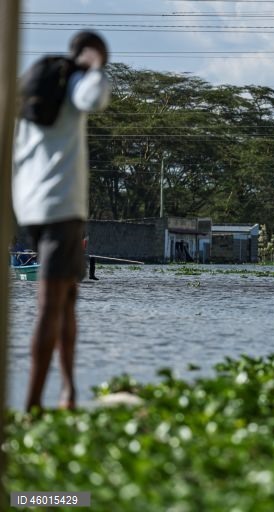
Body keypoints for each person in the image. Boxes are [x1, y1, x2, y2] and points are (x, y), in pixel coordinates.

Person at [12, 31, 111, 411]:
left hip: (32, 207)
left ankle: (68, 392)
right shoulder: (73, 83)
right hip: (62, 209)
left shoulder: (33, 94)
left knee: (67, 299)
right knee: (51, 303)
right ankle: (33, 404)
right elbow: (94, 97)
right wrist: (96, 67)